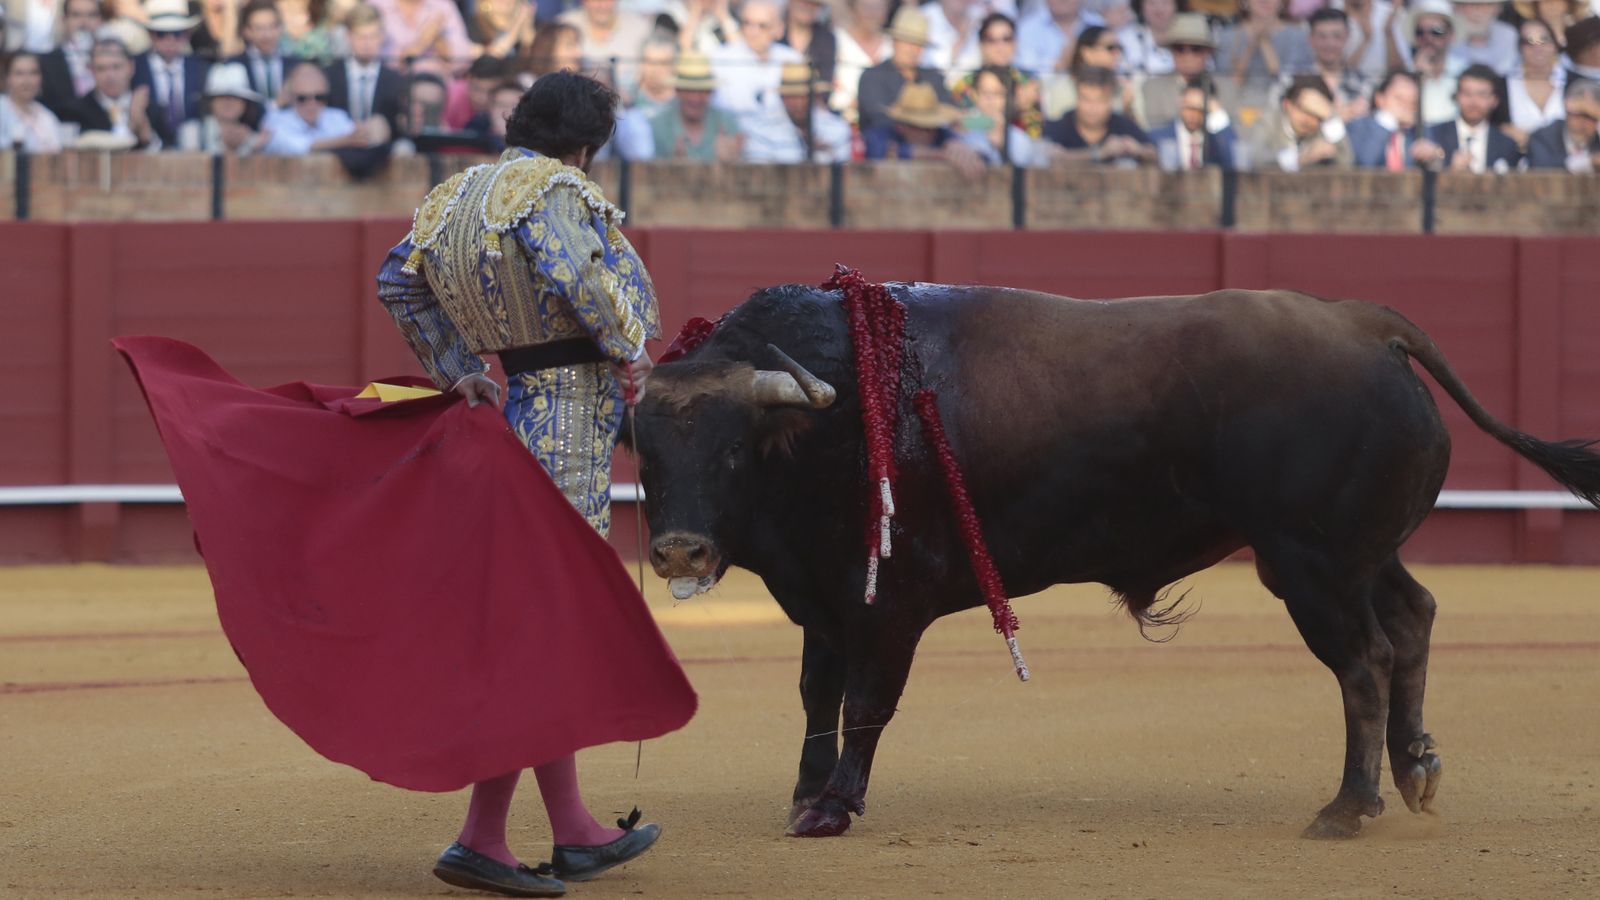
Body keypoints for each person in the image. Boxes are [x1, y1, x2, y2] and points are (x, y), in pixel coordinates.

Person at [375, 71, 665, 896]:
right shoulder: (558, 189)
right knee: (541, 623)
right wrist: (627, 348)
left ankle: (571, 827)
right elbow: (579, 277)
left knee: (536, 622)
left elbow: (397, 282)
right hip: (569, 419)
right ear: (582, 147)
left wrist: (460, 370)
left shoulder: (454, 196)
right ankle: (482, 836)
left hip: (506, 420)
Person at [856, 5, 953, 132]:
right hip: (889, 147)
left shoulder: (933, 77)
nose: (913, 50)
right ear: (894, 41)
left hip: (933, 144)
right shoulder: (873, 77)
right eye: (908, 42)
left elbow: (951, 115)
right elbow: (879, 121)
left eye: (918, 44)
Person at [1412, 62, 1521, 171]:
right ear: (1457, 96)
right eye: (1467, 94)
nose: (1473, 102)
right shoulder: (1434, 135)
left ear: (1494, 100)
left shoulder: (1507, 144)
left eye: (1482, 95)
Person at [1041, 63, 1155, 165]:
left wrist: (1137, 150)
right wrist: (1099, 153)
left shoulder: (1123, 125)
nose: (1092, 108)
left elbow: (1156, 155)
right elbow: (1048, 156)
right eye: (1086, 99)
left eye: (1100, 101)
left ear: (1111, 101)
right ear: (1077, 98)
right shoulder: (1059, 126)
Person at [132, 0, 210, 146]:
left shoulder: (201, 67)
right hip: (146, 151)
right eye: (161, 34)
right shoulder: (134, 67)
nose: (170, 40)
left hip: (193, 152)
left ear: (187, 35)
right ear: (151, 35)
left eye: (177, 33)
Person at [649, 50, 742, 159]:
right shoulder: (657, 127)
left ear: (711, 92)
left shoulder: (726, 122)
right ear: (677, 90)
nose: (695, 98)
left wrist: (730, 161)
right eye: (689, 90)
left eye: (702, 91)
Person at [1248, 73, 1353, 170]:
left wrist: (1331, 117)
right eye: (1303, 109)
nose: (1307, 119)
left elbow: (1347, 164)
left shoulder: (1325, 130)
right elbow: (1256, 158)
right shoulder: (1269, 122)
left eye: (1316, 114)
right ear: (1287, 104)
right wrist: (1300, 159)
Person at [178, 59, 270, 153]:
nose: (229, 102)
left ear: (244, 104)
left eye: (235, 97)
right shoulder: (192, 132)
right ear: (210, 102)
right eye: (222, 97)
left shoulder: (252, 138)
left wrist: (254, 148)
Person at [1149, 76, 1239, 170]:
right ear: (1180, 103)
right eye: (1190, 108)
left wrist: (1217, 112)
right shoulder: (1157, 137)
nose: (1194, 115)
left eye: (1201, 110)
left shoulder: (1216, 141)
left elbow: (1233, 162)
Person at [1345, 67, 1420, 169]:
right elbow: (1366, 163)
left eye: (1412, 102)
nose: (1405, 107)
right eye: (1399, 99)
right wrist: (1388, 122)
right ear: (1380, 99)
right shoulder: (1358, 126)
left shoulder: (1417, 132)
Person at [1525, 75, 1600, 171]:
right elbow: (1542, 170)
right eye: (1577, 114)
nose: (1583, 123)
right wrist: (1588, 162)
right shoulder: (1543, 137)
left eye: (1591, 118)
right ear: (1566, 109)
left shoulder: (1597, 140)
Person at [0, 51, 65, 152]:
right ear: (7, 78)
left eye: (33, 73)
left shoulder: (47, 117)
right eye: (19, 73)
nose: (27, 80)